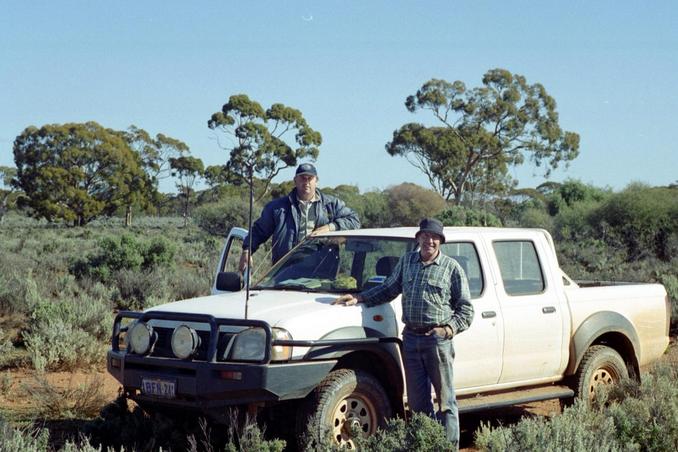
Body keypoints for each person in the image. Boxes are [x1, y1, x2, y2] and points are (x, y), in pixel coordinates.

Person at [332, 218, 474, 449]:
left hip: (437, 341)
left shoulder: (451, 268)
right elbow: (389, 288)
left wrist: (447, 329)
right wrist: (360, 297)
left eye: (434, 237)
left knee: (446, 402)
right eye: (425, 236)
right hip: (410, 338)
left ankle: (448, 446)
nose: (430, 241)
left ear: (440, 241)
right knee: (418, 402)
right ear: (418, 238)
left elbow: (466, 308)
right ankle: (425, 444)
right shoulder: (407, 262)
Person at [239, 163, 360, 271]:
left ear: (316, 181)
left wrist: (331, 227)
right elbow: (259, 231)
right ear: (295, 180)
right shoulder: (277, 208)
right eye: (302, 178)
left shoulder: (331, 205)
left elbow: (354, 220)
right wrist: (247, 249)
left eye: (310, 178)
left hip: (321, 274)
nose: (306, 182)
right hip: (284, 274)